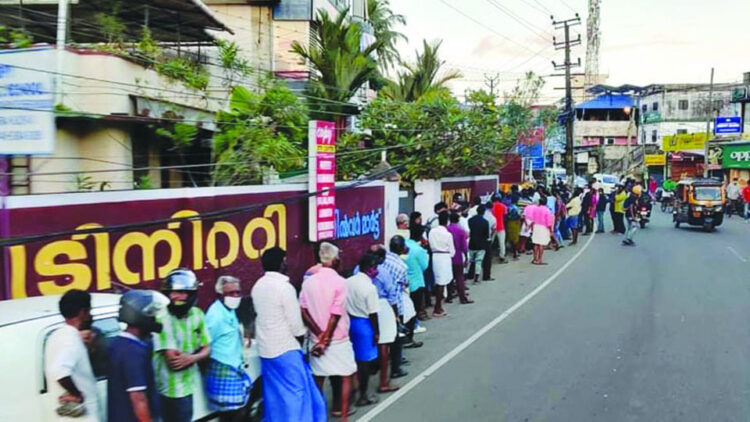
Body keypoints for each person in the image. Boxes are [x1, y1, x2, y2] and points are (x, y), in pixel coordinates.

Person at [252, 247, 326, 422]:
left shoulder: (258, 286)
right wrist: (303, 340)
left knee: (274, 396)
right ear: (281, 263)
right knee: (297, 394)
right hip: (286, 349)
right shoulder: (285, 288)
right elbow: (296, 325)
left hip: (265, 350)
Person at [299, 242, 357, 420]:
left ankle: (317, 415)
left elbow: (304, 310)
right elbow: (336, 313)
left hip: (317, 339)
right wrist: (327, 338)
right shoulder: (340, 282)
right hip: (338, 338)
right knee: (346, 375)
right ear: (336, 260)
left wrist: (319, 335)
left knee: (319, 378)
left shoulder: (309, 282)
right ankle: (344, 415)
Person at [153, 268, 211, 422]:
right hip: (168, 390)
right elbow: (173, 361)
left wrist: (191, 358)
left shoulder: (197, 314)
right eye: (172, 292)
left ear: (190, 294)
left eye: (180, 292)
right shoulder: (161, 317)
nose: (175, 297)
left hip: (188, 387)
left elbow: (208, 348)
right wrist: (196, 356)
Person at [108, 290, 168, 422]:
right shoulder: (132, 351)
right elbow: (138, 397)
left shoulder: (121, 344)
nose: (155, 319)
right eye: (151, 315)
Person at [45, 290, 99, 422]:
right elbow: (59, 371)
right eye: (89, 311)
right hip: (82, 417)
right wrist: (77, 394)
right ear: (82, 312)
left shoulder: (57, 336)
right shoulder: (71, 339)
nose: (91, 316)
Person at [204, 276, 252, 421]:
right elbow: (206, 343)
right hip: (223, 367)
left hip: (234, 365)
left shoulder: (229, 310)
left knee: (236, 411)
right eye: (231, 293)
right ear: (220, 294)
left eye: (238, 292)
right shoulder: (215, 315)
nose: (236, 296)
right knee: (232, 413)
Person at [346, 253, 382, 407]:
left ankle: (352, 392)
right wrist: (377, 332)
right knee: (364, 362)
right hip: (364, 324)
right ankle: (363, 395)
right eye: (375, 267)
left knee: (352, 359)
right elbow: (373, 313)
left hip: (349, 322)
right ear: (369, 268)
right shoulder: (370, 288)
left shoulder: (348, 282)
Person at [428, 211, 454, 317]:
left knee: (440, 281)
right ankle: (437, 308)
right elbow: (452, 251)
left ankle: (439, 306)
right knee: (441, 282)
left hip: (435, 256)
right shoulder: (447, 234)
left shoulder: (432, 232)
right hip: (444, 257)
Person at [405, 225, 430, 320]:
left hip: (405, 279)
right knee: (416, 304)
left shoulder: (405, 244)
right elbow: (425, 265)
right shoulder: (419, 250)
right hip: (416, 280)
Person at [447, 212, 472, 304]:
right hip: (458, 256)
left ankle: (449, 295)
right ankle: (462, 297)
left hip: (448, 257)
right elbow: (464, 246)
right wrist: (466, 257)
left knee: (449, 277)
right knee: (459, 277)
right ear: (458, 220)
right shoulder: (461, 231)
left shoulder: (447, 229)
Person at [525, 197, 555, 265]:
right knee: (541, 244)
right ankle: (540, 259)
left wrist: (530, 226)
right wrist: (550, 230)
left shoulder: (535, 209)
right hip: (543, 227)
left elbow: (532, 219)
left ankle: (535, 258)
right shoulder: (547, 210)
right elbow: (549, 222)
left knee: (536, 243)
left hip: (536, 226)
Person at [468, 205, 490, 284]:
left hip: (472, 243)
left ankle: (466, 275)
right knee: (479, 261)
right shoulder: (485, 222)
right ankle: (476, 278)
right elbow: (487, 235)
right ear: (483, 212)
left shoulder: (470, 220)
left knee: (470, 260)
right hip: (481, 244)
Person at [481, 202, 497, 281]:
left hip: (477, 239)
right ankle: (486, 276)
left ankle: (473, 274)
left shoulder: (481, 216)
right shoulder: (492, 218)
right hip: (487, 239)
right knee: (487, 259)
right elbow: (494, 229)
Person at [492, 196, 508, 263]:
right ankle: (502, 257)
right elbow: (505, 216)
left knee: (490, 242)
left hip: (492, 227)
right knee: (501, 243)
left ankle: (486, 256)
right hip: (501, 226)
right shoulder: (503, 206)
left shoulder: (491, 206)